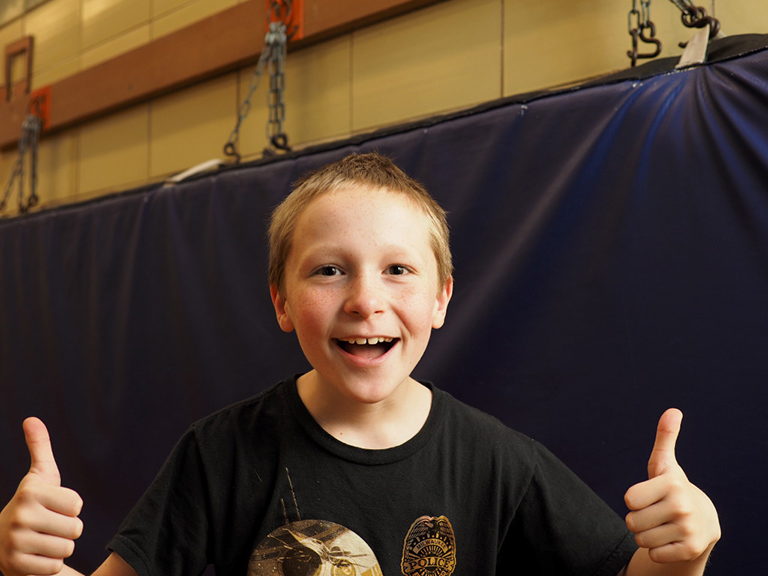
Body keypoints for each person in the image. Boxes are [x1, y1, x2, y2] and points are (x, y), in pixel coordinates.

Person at [0, 153, 720, 576]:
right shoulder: (220, 455)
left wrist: (681, 557)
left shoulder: (499, 463)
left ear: (441, 299)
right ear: (282, 302)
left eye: (398, 270)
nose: (365, 301)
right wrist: (27, 563)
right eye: (330, 270)